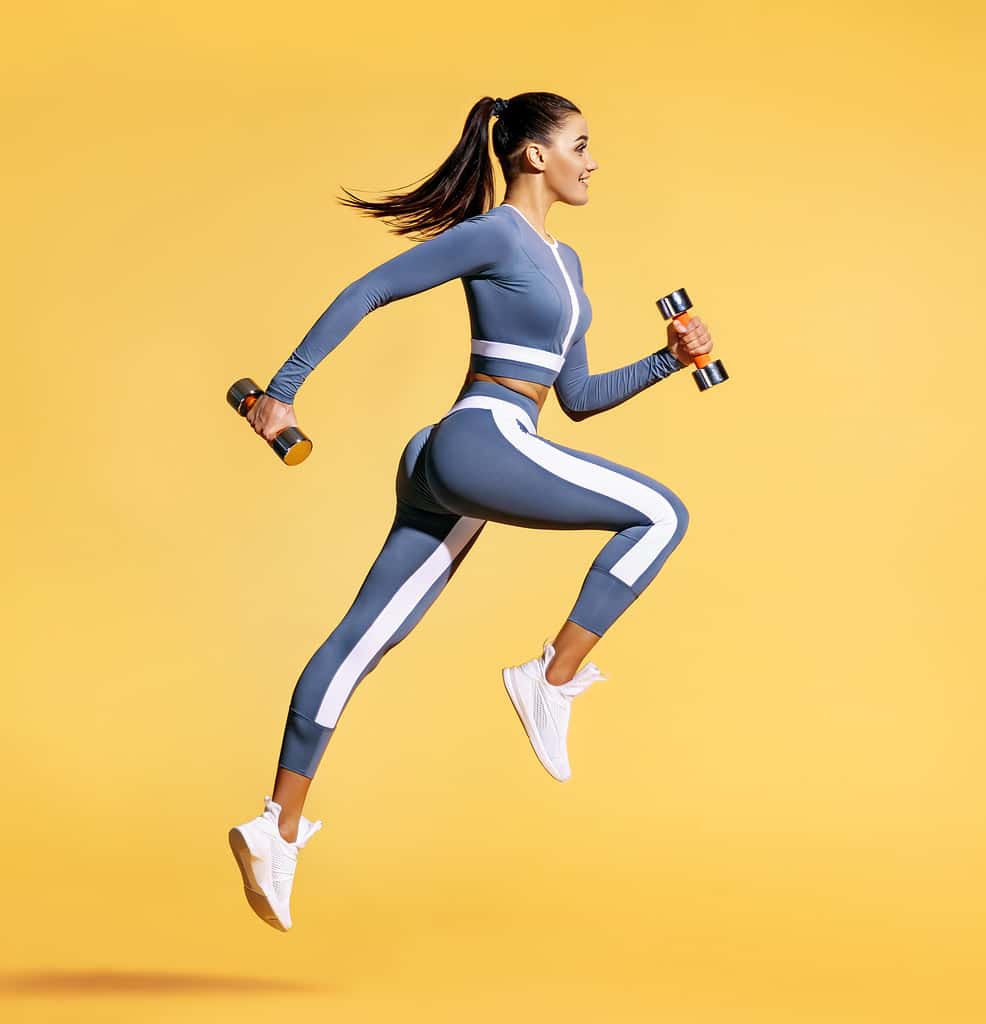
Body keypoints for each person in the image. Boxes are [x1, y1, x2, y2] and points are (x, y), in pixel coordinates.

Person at [228, 91, 714, 931]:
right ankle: (549, 679)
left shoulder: (568, 264)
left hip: (469, 453)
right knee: (662, 514)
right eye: (580, 145)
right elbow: (370, 290)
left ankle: (278, 827)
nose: (593, 161)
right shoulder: (495, 234)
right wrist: (283, 391)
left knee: (363, 639)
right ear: (534, 155)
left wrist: (668, 361)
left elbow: (577, 398)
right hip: (479, 437)